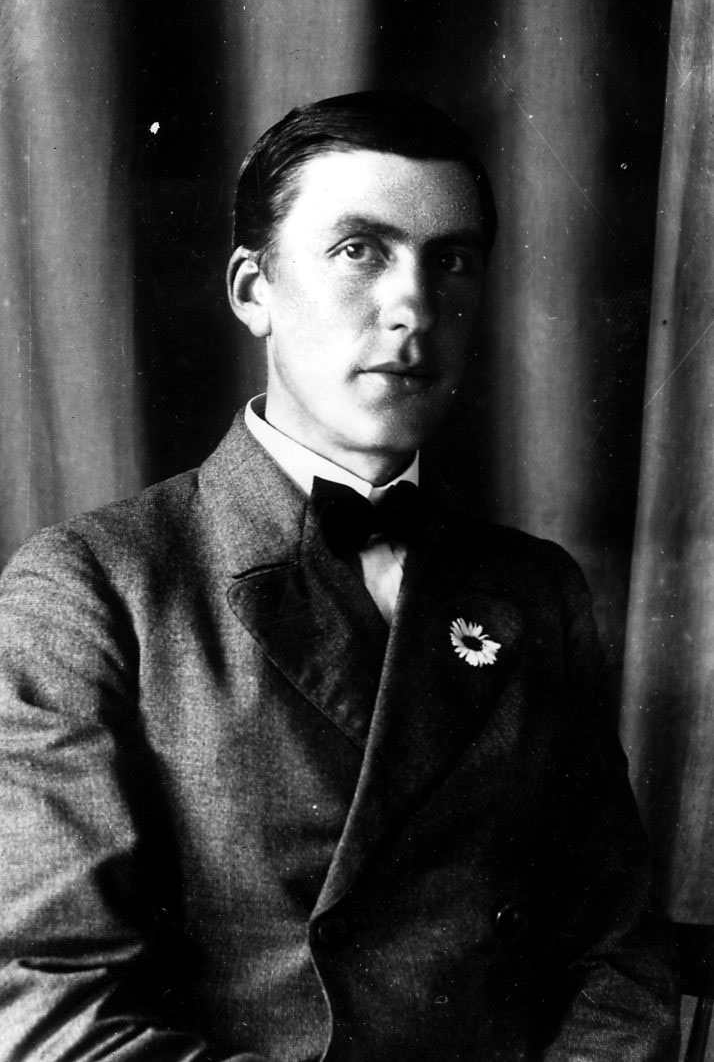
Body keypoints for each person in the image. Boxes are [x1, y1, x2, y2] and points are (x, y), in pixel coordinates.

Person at [0, 91, 679, 1060]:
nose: (413, 307)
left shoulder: (536, 589)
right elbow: (48, 1008)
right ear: (254, 291)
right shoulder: (92, 589)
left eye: (451, 260)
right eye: (360, 250)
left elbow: (615, 955)